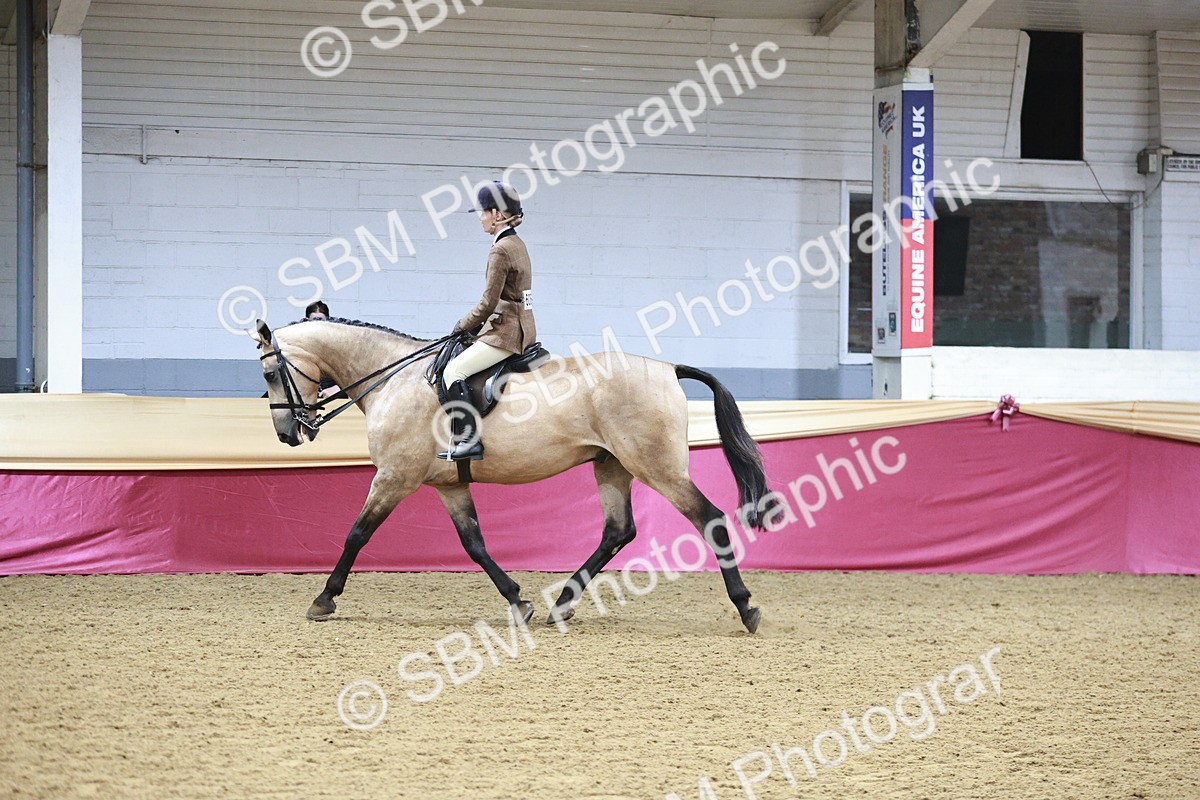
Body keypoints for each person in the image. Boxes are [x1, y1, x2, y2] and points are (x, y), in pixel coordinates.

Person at [437, 181, 537, 461]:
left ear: (497, 214)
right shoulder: (516, 242)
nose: (480, 217)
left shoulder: (501, 249)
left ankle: (468, 440)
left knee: (452, 372)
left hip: (508, 331)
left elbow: (487, 303)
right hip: (523, 326)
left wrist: (462, 326)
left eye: (482, 212)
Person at [304, 300, 342, 399]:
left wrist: (339, 389)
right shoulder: (300, 345)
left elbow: (355, 376)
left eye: (320, 321)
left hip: (336, 400)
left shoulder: (338, 345)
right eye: (313, 322)